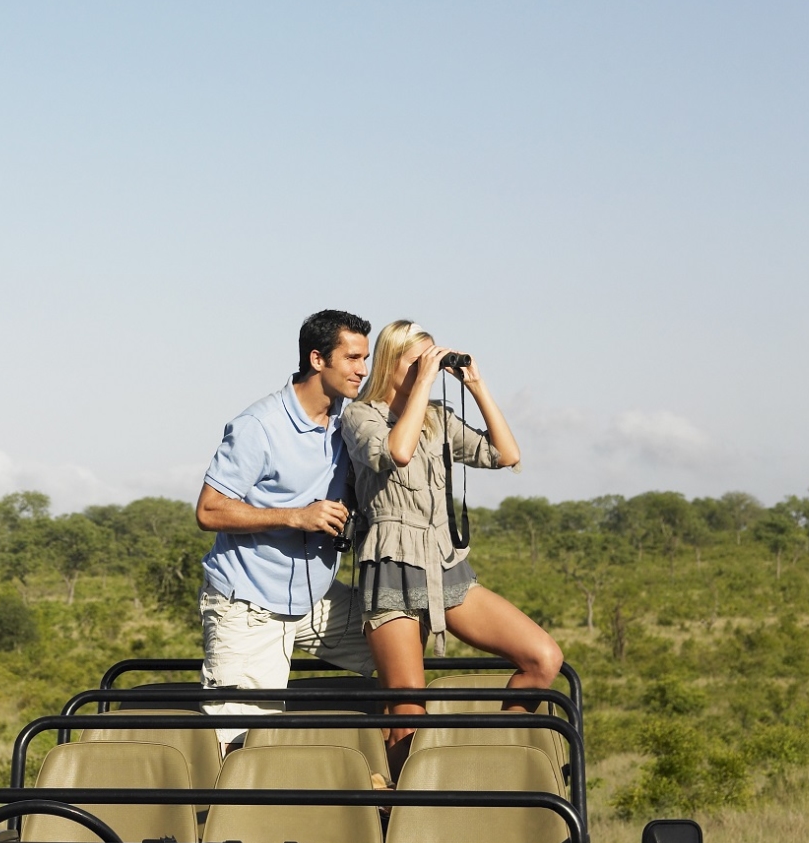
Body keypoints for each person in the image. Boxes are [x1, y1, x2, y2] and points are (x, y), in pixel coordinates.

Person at [340, 320, 564, 773]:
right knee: (408, 714)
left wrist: (478, 388)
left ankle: (498, 758)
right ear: (391, 363)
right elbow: (396, 452)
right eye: (417, 361)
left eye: (431, 360)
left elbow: (505, 454)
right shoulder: (360, 416)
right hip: (391, 568)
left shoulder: (438, 418)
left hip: (445, 565)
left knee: (543, 658)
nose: (430, 369)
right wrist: (423, 381)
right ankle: (400, 814)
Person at [194, 309, 377, 742]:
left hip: (316, 599)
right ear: (318, 360)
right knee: (241, 742)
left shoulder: (347, 422)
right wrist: (296, 516)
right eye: (352, 358)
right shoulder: (259, 425)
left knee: (400, 646)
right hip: (249, 605)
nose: (362, 370)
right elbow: (209, 510)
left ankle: (378, 783)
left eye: (365, 358)